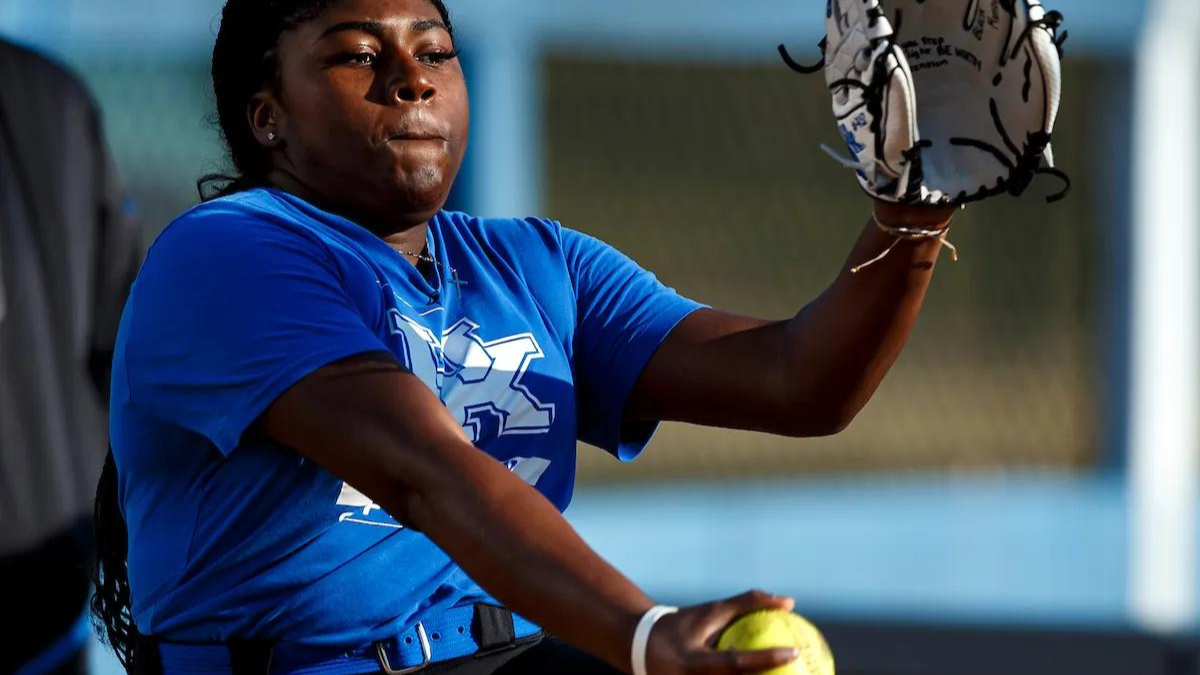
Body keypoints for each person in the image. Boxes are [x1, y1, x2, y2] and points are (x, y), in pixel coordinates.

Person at [91, 1, 958, 674]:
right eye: (358, 55)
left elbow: (800, 379)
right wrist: (643, 633)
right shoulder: (228, 255)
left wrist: (916, 205)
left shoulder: (536, 264)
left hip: (504, 658)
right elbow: (423, 471)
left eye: (435, 52)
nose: (412, 79)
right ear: (267, 116)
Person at [0, 36, 142, 675]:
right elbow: (129, 358)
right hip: (53, 593)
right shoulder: (53, 93)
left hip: (48, 597)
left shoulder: (55, 101)